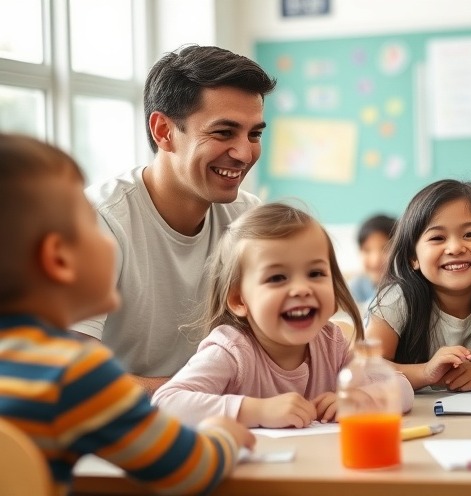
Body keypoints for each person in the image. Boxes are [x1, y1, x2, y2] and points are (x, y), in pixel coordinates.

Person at [0, 133, 254, 493]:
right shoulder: (75, 374)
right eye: (90, 224)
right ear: (58, 259)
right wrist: (223, 433)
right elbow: (187, 469)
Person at [70, 45, 277, 395]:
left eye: (254, 134)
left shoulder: (246, 217)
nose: (244, 153)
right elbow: (72, 374)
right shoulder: (96, 222)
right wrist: (190, 396)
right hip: (114, 432)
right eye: (224, 132)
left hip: (218, 421)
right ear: (164, 131)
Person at [152, 203, 414, 427]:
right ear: (238, 300)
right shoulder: (231, 350)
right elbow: (165, 403)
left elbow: (401, 388)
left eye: (315, 274)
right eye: (277, 278)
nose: (301, 289)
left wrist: (360, 401)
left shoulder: (332, 343)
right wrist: (257, 411)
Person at [366, 179, 471, 391]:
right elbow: (369, 368)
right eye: (438, 238)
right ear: (413, 256)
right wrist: (426, 372)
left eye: (470, 234)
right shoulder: (396, 299)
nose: (455, 247)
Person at [350, 213, 396, 307]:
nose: (375, 260)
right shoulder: (357, 286)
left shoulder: (403, 290)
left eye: (385, 249)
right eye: (367, 250)